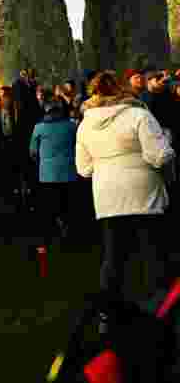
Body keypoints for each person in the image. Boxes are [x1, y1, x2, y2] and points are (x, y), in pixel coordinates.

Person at [76, 71, 176, 299]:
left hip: (108, 195)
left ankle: (109, 312)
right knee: (153, 253)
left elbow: (84, 169)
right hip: (144, 192)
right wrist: (167, 145)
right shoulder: (138, 115)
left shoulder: (85, 125)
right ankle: (161, 311)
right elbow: (159, 155)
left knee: (113, 257)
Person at [29, 99, 79, 249]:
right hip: (69, 172)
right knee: (67, 206)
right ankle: (67, 234)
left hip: (47, 173)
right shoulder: (71, 126)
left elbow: (32, 151)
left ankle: (49, 236)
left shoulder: (39, 128)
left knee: (48, 207)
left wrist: (40, 162)